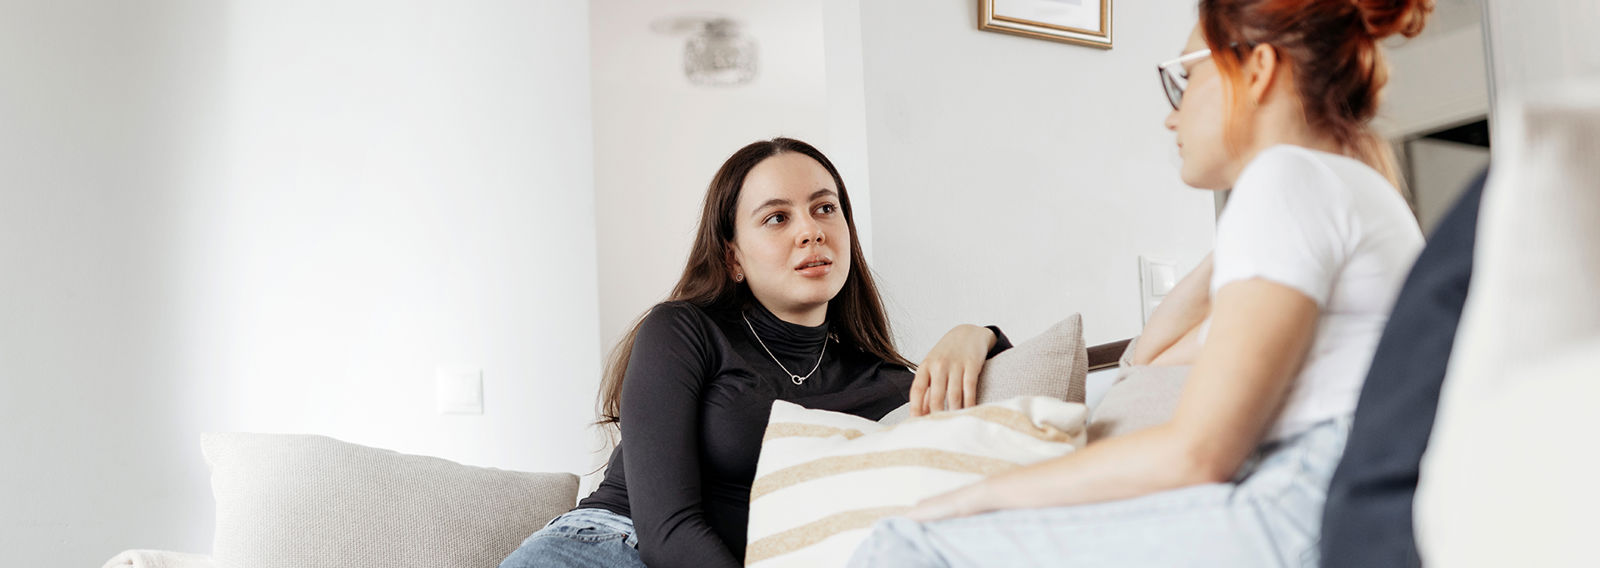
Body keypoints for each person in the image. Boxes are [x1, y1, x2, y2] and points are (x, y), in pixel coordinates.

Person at [848, 0, 1433, 566]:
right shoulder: (1336, 188)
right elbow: (1147, 360)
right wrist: (1235, 244)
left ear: (1257, 69)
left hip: (1301, 508)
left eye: (1185, 77)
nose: (1171, 115)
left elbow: (1197, 454)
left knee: (906, 544)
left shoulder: (1285, 180)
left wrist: (975, 497)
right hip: (1338, 502)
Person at [498, 137, 1009, 568]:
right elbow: (667, 528)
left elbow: (1008, 404)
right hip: (604, 546)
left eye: (825, 208)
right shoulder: (683, 330)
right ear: (732, 257)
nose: (810, 230)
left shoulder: (884, 383)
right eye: (777, 218)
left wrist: (978, 335)